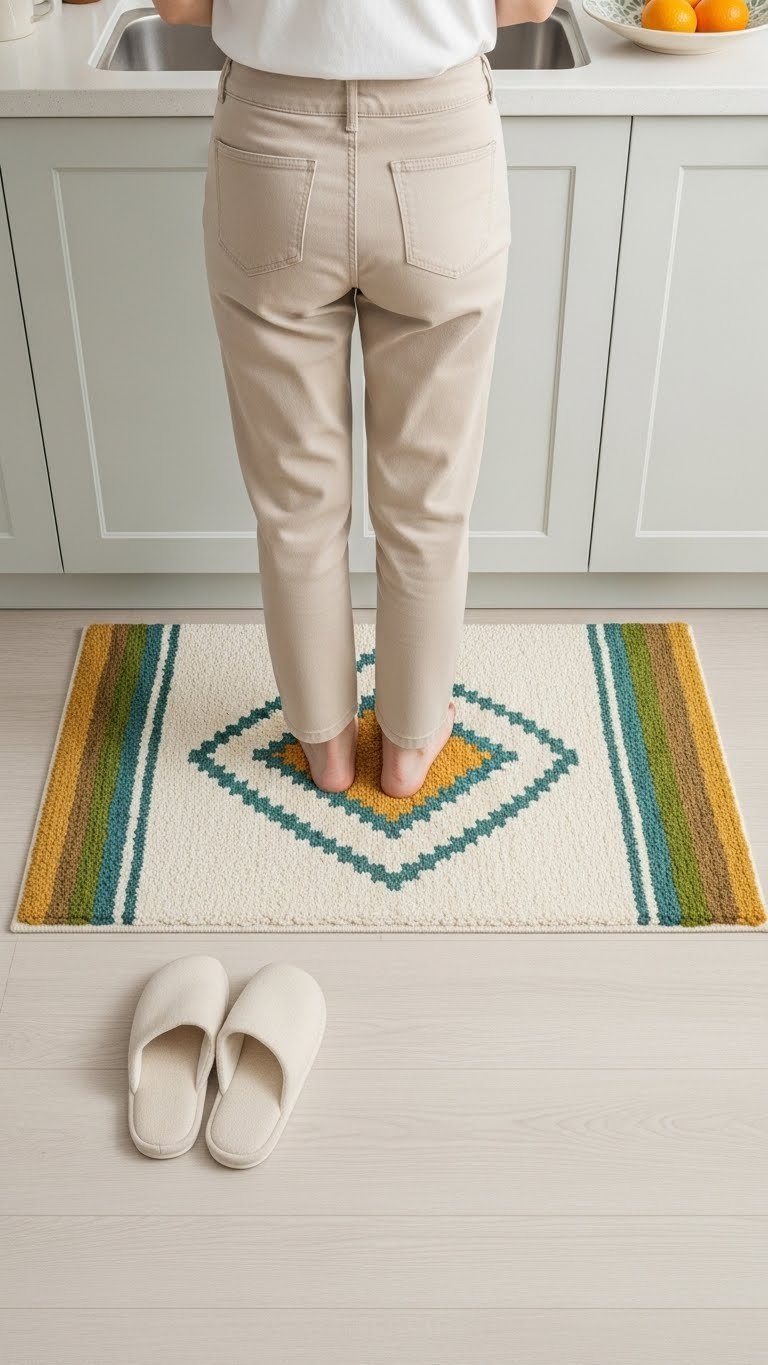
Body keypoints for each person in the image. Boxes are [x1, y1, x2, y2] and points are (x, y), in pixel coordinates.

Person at [155, 0, 555, 796]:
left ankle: (327, 745)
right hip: (438, 137)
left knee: (296, 501)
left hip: (270, 137)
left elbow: (178, 7)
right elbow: (531, 5)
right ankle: (409, 744)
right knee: (428, 499)